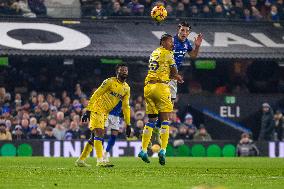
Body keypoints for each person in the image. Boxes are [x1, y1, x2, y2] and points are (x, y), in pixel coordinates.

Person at [138, 34, 184, 165]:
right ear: (163, 42)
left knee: (151, 120)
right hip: (160, 87)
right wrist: (178, 77)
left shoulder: (154, 52)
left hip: (148, 88)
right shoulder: (168, 53)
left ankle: (143, 150)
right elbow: (174, 71)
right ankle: (163, 150)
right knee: (165, 120)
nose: (172, 44)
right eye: (170, 42)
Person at [75, 64, 131, 167]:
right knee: (99, 133)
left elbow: (126, 106)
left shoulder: (126, 88)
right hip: (97, 109)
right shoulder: (109, 82)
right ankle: (100, 161)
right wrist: (88, 110)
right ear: (117, 72)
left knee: (94, 137)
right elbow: (96, 94)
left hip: (106, 112)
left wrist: (128, 124)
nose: (124, 72)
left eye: (126, 70)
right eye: (122, 70)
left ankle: (81, 160)